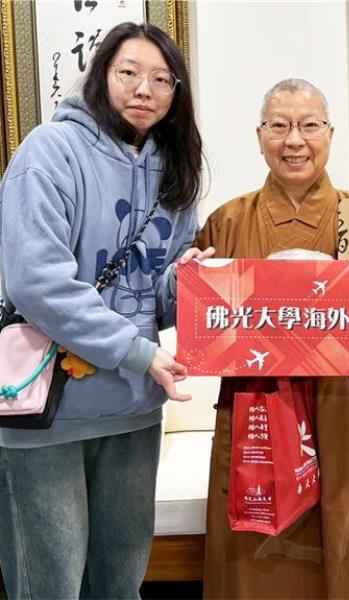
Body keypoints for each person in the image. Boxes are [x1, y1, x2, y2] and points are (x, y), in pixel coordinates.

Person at [0, 22, 202, 599]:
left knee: (120, 585)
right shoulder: (50, 151)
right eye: (129, 73)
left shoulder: (175, 168)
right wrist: (138, 351)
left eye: (161, 79)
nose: (144, 89)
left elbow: (154, 296)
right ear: (100, 75)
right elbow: (35, 283)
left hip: (133, 409)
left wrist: (191, 283)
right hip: (45, 413)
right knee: (50, 588)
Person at [190, 78, 349, 599]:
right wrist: (192, 282)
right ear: (259, 135)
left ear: (330, 134)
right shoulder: (227, 222)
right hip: (258, 408)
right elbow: (205, 329)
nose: (294, 140)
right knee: (256, 549)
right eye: (279, 126)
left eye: (309, 126)